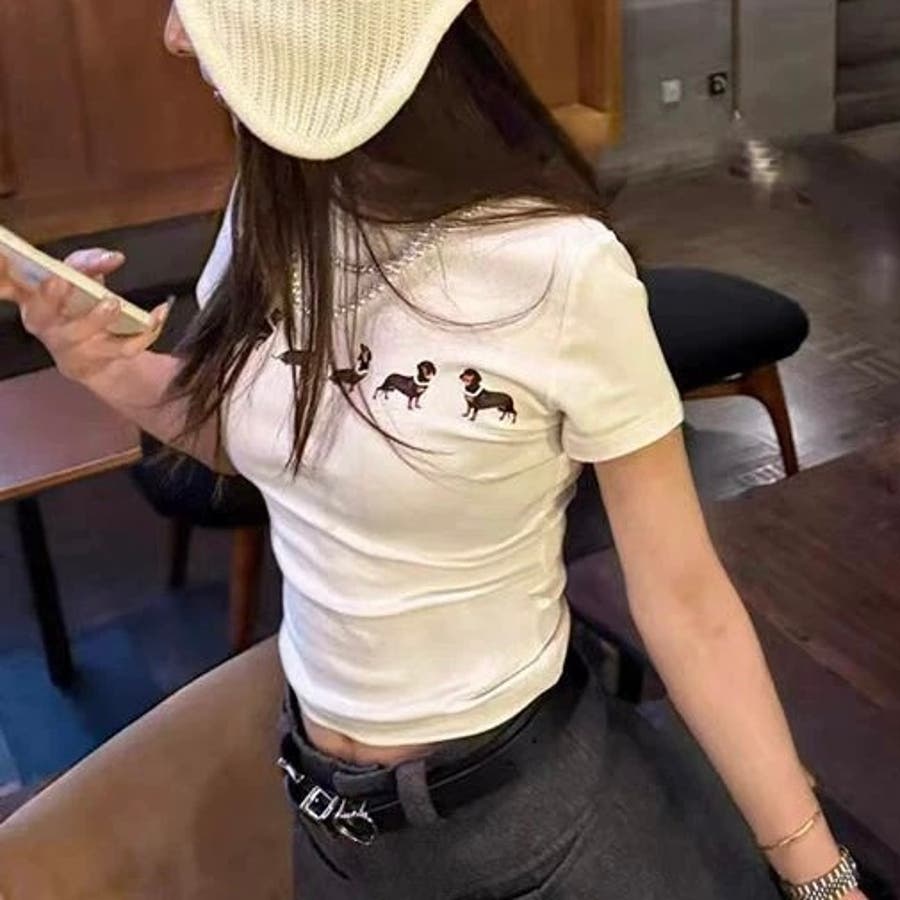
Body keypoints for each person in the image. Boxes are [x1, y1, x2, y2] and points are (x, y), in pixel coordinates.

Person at [0, 2, 866, 898]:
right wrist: (103, 367)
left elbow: (686, 598)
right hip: (331, 825)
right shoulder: (271, 206)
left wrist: (821, 877)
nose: (176, 37)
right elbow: (249, 440)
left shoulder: (559, 266)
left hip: (528, 820)